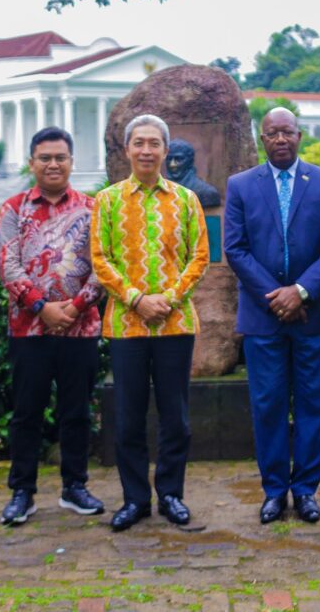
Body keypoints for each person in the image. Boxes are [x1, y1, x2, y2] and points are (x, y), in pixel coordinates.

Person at [224, 107, 320, 525]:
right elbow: (235, 249)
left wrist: (301, 291)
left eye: (287, 132)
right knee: (269, 405)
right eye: (272, 133)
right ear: (262, 139)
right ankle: (275, 491)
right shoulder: (241, 185)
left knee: (313, 404)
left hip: (314, 315)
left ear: (299, 135)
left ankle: (307, 490)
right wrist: (274, 296)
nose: (280, 139)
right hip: (263, 317)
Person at [90, 114, 209, 532]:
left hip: (175, 324)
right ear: (127, 150)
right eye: (138, 143)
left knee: (175, 415)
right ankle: (135, 498)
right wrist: (137, 299)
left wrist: (170, 299)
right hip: (127, 325)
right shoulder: (106, 201)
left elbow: (199, 256)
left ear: (164, 149)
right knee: (128, 415)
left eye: (154, 143)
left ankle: (172, 494)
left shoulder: (186, 199)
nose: (146, 150)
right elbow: (100, 258)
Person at [0, 127, 105, 526]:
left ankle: (75, 487)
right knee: (27, 412)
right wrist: (42, 308)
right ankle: (22, 492)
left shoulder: (94, 209)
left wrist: (74, 308)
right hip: (29, 331)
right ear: (32, 163)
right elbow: (8, 267)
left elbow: (103, 267)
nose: (53, 164)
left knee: (76, 410)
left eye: (60, 157)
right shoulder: (13, 210)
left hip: (81, 328)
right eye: (45, 158)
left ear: (72, 162)